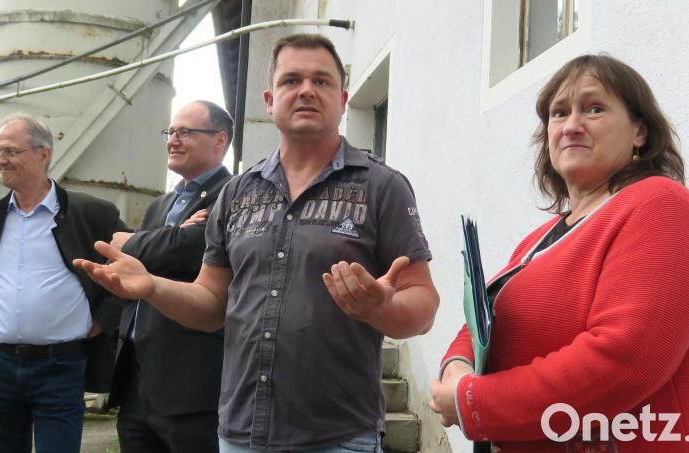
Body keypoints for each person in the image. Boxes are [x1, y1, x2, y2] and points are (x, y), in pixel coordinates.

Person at [74, 33, 440, 452]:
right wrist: (154, 287)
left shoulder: (381, 187)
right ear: (270, 99)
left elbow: (423, 304)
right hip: (240, 432)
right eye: (291, 80)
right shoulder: (236, 193)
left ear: (342, 99)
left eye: (321, 81)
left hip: (337, 435)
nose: (305, 89)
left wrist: (384, 309)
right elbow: (212, 305)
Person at [429, 54, 689, 452]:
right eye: (559, 114)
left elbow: (623, 359)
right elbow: (482, 321)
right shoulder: (539, 238)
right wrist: (458, 369)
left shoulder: (660, 206)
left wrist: (475, 401)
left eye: (594, 108)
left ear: (640, 131)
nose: (572, 126)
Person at [0, 113, 128, 453]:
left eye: (10, 151)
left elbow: (133, 266)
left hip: (60, 367)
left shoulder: (90, 212)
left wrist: (102, 321)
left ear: (43, 153)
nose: (1, 160)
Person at [107, 100, 233, 453]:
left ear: (219, 139)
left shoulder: (232, 194)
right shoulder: (159, 206)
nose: (173, 140)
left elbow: (193, 249)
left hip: (190, 385)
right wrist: (169, 241)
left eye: (185, 132)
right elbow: (129, 262)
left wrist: (135, 242)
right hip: (136, 382)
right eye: (171, 132)